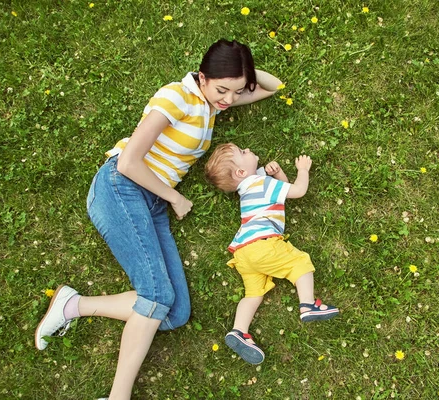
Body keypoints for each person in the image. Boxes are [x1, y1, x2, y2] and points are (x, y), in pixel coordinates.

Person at [34, 39, 282, 400]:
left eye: (235, 90)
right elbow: (128, 161)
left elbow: (273, 87)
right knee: (156, 295)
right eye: (221, 89)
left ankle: (73, 305)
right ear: (202, 76)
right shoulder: (176, 98)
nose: (229, 99)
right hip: (122, 189)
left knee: (174, 311)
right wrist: (175, 196)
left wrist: (242, 70)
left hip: (150, 202)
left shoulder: (211, 103)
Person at [204, 143, 339, 365]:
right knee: (300, 262)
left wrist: (277, 173)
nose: (248, 150)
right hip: (262, 244)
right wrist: (303, 170)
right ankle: (308, 304)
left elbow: (279, 191)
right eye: (243, 152)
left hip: (242, 252)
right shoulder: (262, 183)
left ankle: (239, 330)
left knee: (254, 294)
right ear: (240, 172)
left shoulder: (246, 188)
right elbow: (296, 191)